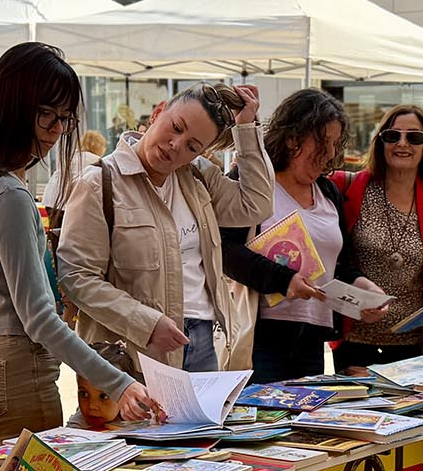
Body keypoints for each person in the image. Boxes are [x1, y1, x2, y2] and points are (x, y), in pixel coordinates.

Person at [0, 42, 159, 444]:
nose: (58, 130)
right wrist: (119, 382)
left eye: (65, 118)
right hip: (16, 373)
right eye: (48, 116)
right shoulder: (9, 195)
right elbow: (39, 319)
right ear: (15, 109)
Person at [59, 81, 272, 374]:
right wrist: (146, 323)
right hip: (132, 348)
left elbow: (256, 205)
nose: (176, 145)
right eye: (176, 126)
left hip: (202, 339)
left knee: (202, 422)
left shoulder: (197, 178)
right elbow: (77, 277)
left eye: (192, 146)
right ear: (158, 112)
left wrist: (247, 130)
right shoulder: (98, 183)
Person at [220, 89, 389, 383]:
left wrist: (366, 291)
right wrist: (283, 280)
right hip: (261, 337)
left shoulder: (327, 192)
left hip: (314, 337)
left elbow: (340, 264)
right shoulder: (253, 181)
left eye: (335, 144)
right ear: (292, 138)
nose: (330, 155)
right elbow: (224, 251)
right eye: (323, 143)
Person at [329, 104, 423, 371]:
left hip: (414, 345)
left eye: (414, 137)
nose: (402, 144)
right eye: (393, 136)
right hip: (355, 341)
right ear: (380, 142)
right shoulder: (349, 187)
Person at [41, 128, 106, 211]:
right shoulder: (97, 161)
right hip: (68, 204)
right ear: (100, 146)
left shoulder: (72, 157)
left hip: (51, 199)